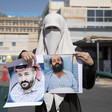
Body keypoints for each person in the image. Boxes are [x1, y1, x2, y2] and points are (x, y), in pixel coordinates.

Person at [19, 13, 96, 112]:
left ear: (63, 30)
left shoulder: (76, 53)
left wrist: (90, 65)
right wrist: (23, 54)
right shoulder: (36, 54)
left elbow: (88, 84)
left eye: (55, 28)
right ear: (43, 31)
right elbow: (21, 76)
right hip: (43, 107)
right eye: (48, 28)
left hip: (69, 106)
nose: (52, 32)